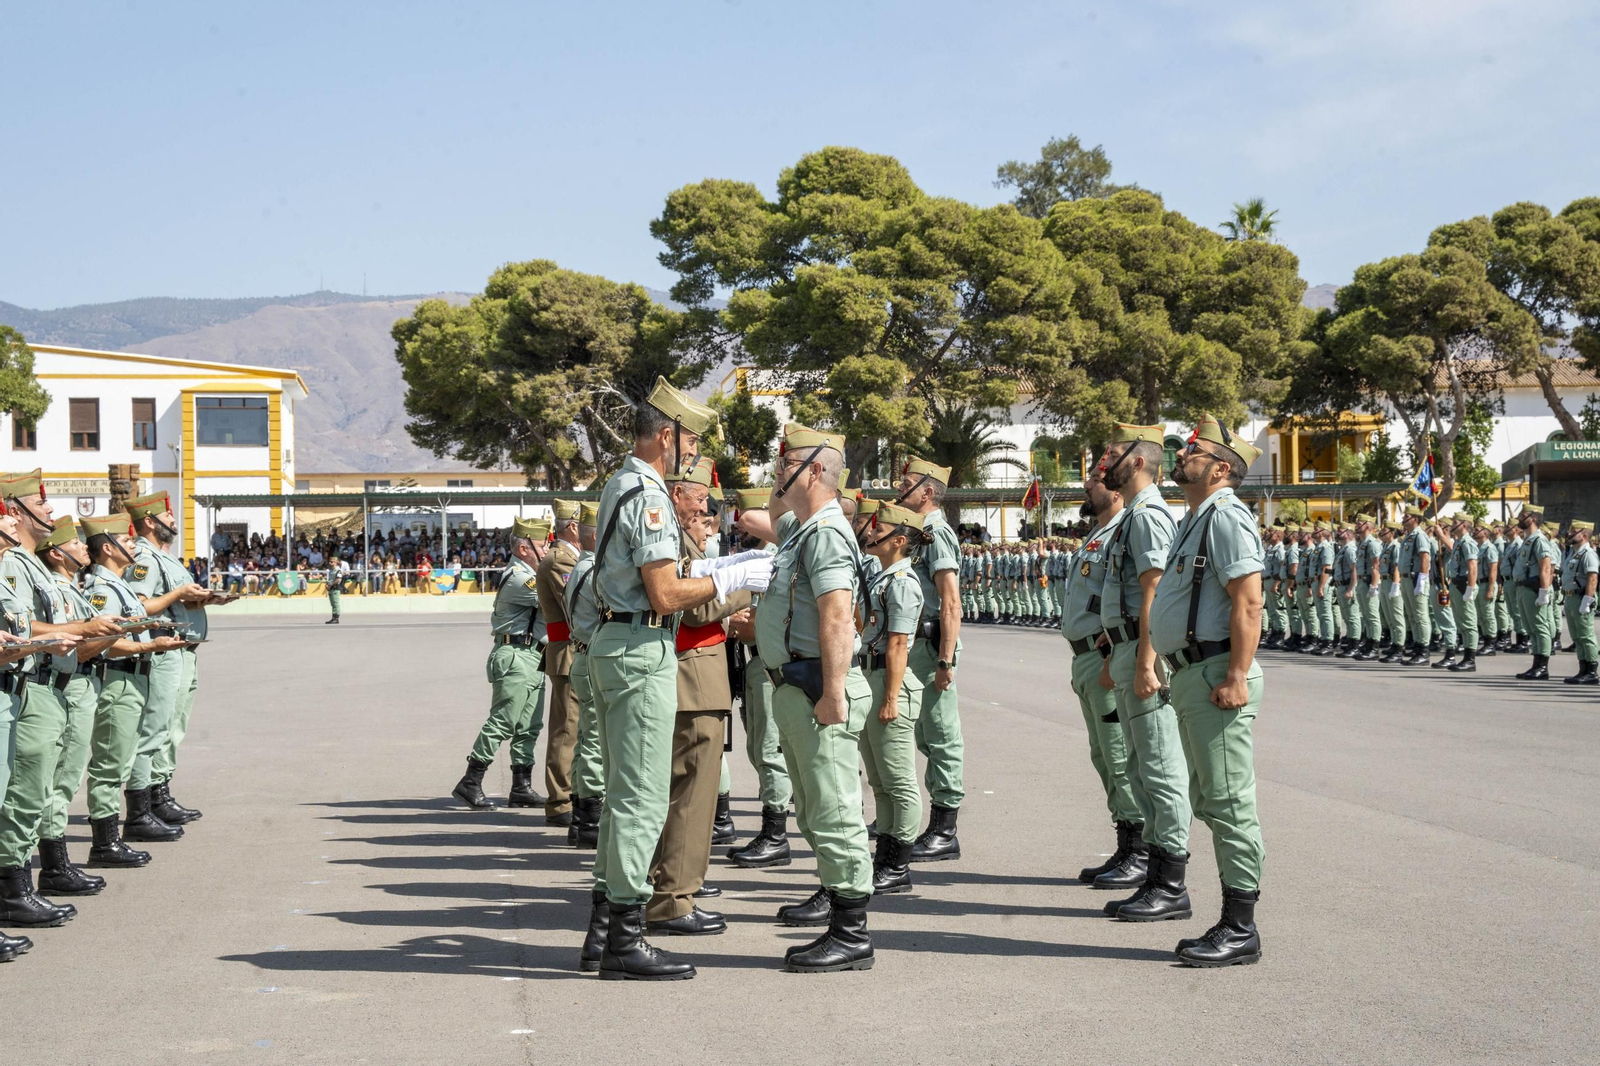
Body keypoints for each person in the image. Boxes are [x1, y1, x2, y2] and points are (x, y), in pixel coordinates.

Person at [578, 377, 769, 981]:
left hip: (619, 644)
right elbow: (664, 593)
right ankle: (626, 941)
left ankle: (604, 931)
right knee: (640, 800)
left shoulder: (622, 483)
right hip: (640, 647)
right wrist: (726, 579)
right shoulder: (651, 494)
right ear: (668, 435)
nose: (692, 454)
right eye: (689, 442)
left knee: (622, 799)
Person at [754, 422, 875, 973]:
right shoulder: (803, 530)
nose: (778, 472)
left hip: (816, 689)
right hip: (796, 687)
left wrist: (832, 693)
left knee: (834, 808)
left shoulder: (825, 532)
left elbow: (836, 616)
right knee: (813, 807)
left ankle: (851, 933)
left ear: (816, 472)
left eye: (787, 464)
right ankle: (835, 900)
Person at [1149, 416, 1266, 967]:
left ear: (1221, 469)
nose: (1182, 457)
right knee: (1208, 799)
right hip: (1194, 673)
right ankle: (1234, 919)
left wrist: (1238, 676)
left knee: (1228, 802)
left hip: (1219, 672)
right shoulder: (1195, 518)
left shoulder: (1227, 515)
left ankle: (1240, 926)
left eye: (1194, 453)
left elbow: (1248, 600)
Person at [1093, 425, 1194, 924]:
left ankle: (1170, 881)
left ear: (1136, 460)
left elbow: (1154, 590)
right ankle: (1155, 872)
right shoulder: (1134, 514)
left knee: (1159, 766)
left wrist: (1145, 661)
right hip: (1128, 647)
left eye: (1112, 452)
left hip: (1143, 649)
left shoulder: (1149, 515)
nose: (1103, 460)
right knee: (1139, 766)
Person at [645, 464, 749, 936]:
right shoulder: (675, 542)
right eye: (699, 500)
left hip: (691, 676)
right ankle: (674, 899)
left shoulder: (680, 541)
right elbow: (696, 609)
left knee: (679, 792)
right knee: (692, 795)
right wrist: (745, 581)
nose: (706, 510)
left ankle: (665, 886)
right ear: (676, 495)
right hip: (694, 679)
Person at [0, 472, 104, 930]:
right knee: (24, 791)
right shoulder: (14, 564)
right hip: (33, 684)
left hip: (43, 682)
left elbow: (26, 625)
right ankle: (14, 890)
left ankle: (25, 882)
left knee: (42, 786)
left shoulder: (29, 565)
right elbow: (28, 630)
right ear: (15, 513)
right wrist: (79, 632)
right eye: (39, 506)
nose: (48, 511)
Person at [79, 514, 185, 871]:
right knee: (109, 765)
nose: (133, 545)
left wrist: (148, 627)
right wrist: (146, 645)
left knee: (121, 761)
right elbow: (101, 643)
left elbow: (125, 625)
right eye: (125, 542)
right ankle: (105, 843)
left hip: (134, 677)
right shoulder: (102, 589)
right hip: (119, 679)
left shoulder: (118, 585)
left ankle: (115, 835)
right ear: (107, 548)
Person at [33, 517, 129, 897]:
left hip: (80, 681)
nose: (83, 548)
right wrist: (108, 636)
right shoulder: (60, 589)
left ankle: (58, 864)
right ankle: (54, 866)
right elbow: (65, 645)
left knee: (65, 778)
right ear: (56, 553)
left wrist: (113, 633)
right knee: (58, 781)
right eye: (74, 544)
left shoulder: (72, 589)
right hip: (69, 684)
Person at [1062, 478, 1143, 890]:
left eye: (1096, 480)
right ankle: (1125, 840)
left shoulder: (1126, 528)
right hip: (1086, 658)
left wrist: (1115, 644)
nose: (1088, 486)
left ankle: (1140, 848)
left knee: (1118, 756)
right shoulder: (1099, 533)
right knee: (1103, 755)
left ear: (1114, 491)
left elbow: (1139, 591)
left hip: (1106, 657)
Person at [123, 491, 213, 828]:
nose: (174, 521)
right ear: (150, 521)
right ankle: (146, 803)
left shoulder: (167, 557)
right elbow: (139, 605)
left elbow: (172, 601)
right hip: (164, 650)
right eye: (168, 516)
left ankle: (160, 793)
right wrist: (179, 594)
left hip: (185, 649)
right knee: (156, 728)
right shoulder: (144, 558)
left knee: (173, 728)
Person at [452, 516, 550, 811]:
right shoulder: (522, 578)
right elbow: (560, 599)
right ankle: (471, 780)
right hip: (515, 656)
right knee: (503, 722)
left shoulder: (529, 573)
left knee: (528, 726)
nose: (546, 550)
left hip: (532, 655)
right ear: (524, 549)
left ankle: (521, 787)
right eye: (542, 544)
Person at [893, 456, 964, 864]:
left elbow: (950, 602)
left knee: (940, 734)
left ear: (926, 491)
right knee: (923, 733)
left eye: (907, 483)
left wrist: (945, 661)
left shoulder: (936, 533)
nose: (899, 488)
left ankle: (945, 828)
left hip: (933, 646)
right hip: (918, 646)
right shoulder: (918, 531)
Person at [857, 502, 928, 896]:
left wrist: (890, 697)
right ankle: (884, 853)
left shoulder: (902, 582)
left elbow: (899, 643)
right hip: (873, 676)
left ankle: (899, 862)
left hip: (889, 681)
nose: (871, 532)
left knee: (899, 782)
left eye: (879, 528)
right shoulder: (884, 577)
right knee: (880, 781)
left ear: (898, 541)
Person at [726, 487, 793, 869]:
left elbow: (760, 623)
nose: (739, 524)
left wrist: (734, 625)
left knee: (769, 751)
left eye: (745, 516)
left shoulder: (772, 559)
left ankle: (776, 834)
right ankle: (773, 829)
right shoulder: (765, 556)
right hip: (755, 664)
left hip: (766, 663)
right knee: (760, 749)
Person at [537, 501, 584, 826]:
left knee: (576, 729)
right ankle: (560, 801)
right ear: (573, 527)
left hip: (573, 650)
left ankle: (572, 795)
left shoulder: (570, 558)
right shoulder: (559, 560)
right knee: (566, 729)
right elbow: (576, 605)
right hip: (567, 651)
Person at [1512, 504, 1555, 680]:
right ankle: (1536, 664)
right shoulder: (1527, 540)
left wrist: (1544, 592)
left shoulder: (1539, 540)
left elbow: (1546, 569)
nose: (1520, 518)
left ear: (1534, 518)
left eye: (1524, 515)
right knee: (1531, 628)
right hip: (1523, 588)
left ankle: (1543, 667)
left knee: (1540, 627)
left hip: (1534, 588)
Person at [1562, 521, 1598, 684]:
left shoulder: (1587, 553)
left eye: (1573, 531)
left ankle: (1591, 670)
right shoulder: (1574, 553)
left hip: (1581, 597)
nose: (1569, 534)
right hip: (1570, 598)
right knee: (1577, 636)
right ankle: (1582, 669)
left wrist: (1588, 599)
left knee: (1586, 635)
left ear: (1584, 535)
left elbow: (1592, 578)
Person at [325, 555, 348, 623]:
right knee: (333, 604)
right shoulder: (331, 570)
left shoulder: (338, 570)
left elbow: (338, 579)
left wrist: (331, 585)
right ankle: (333, 617)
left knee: (336, 604)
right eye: (329, 562)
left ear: (335, 562)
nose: (330, 563)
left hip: (335, 588)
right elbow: (330, 579)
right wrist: (327, 584)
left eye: (332, 562)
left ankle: (336, 618)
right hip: (331, 588)